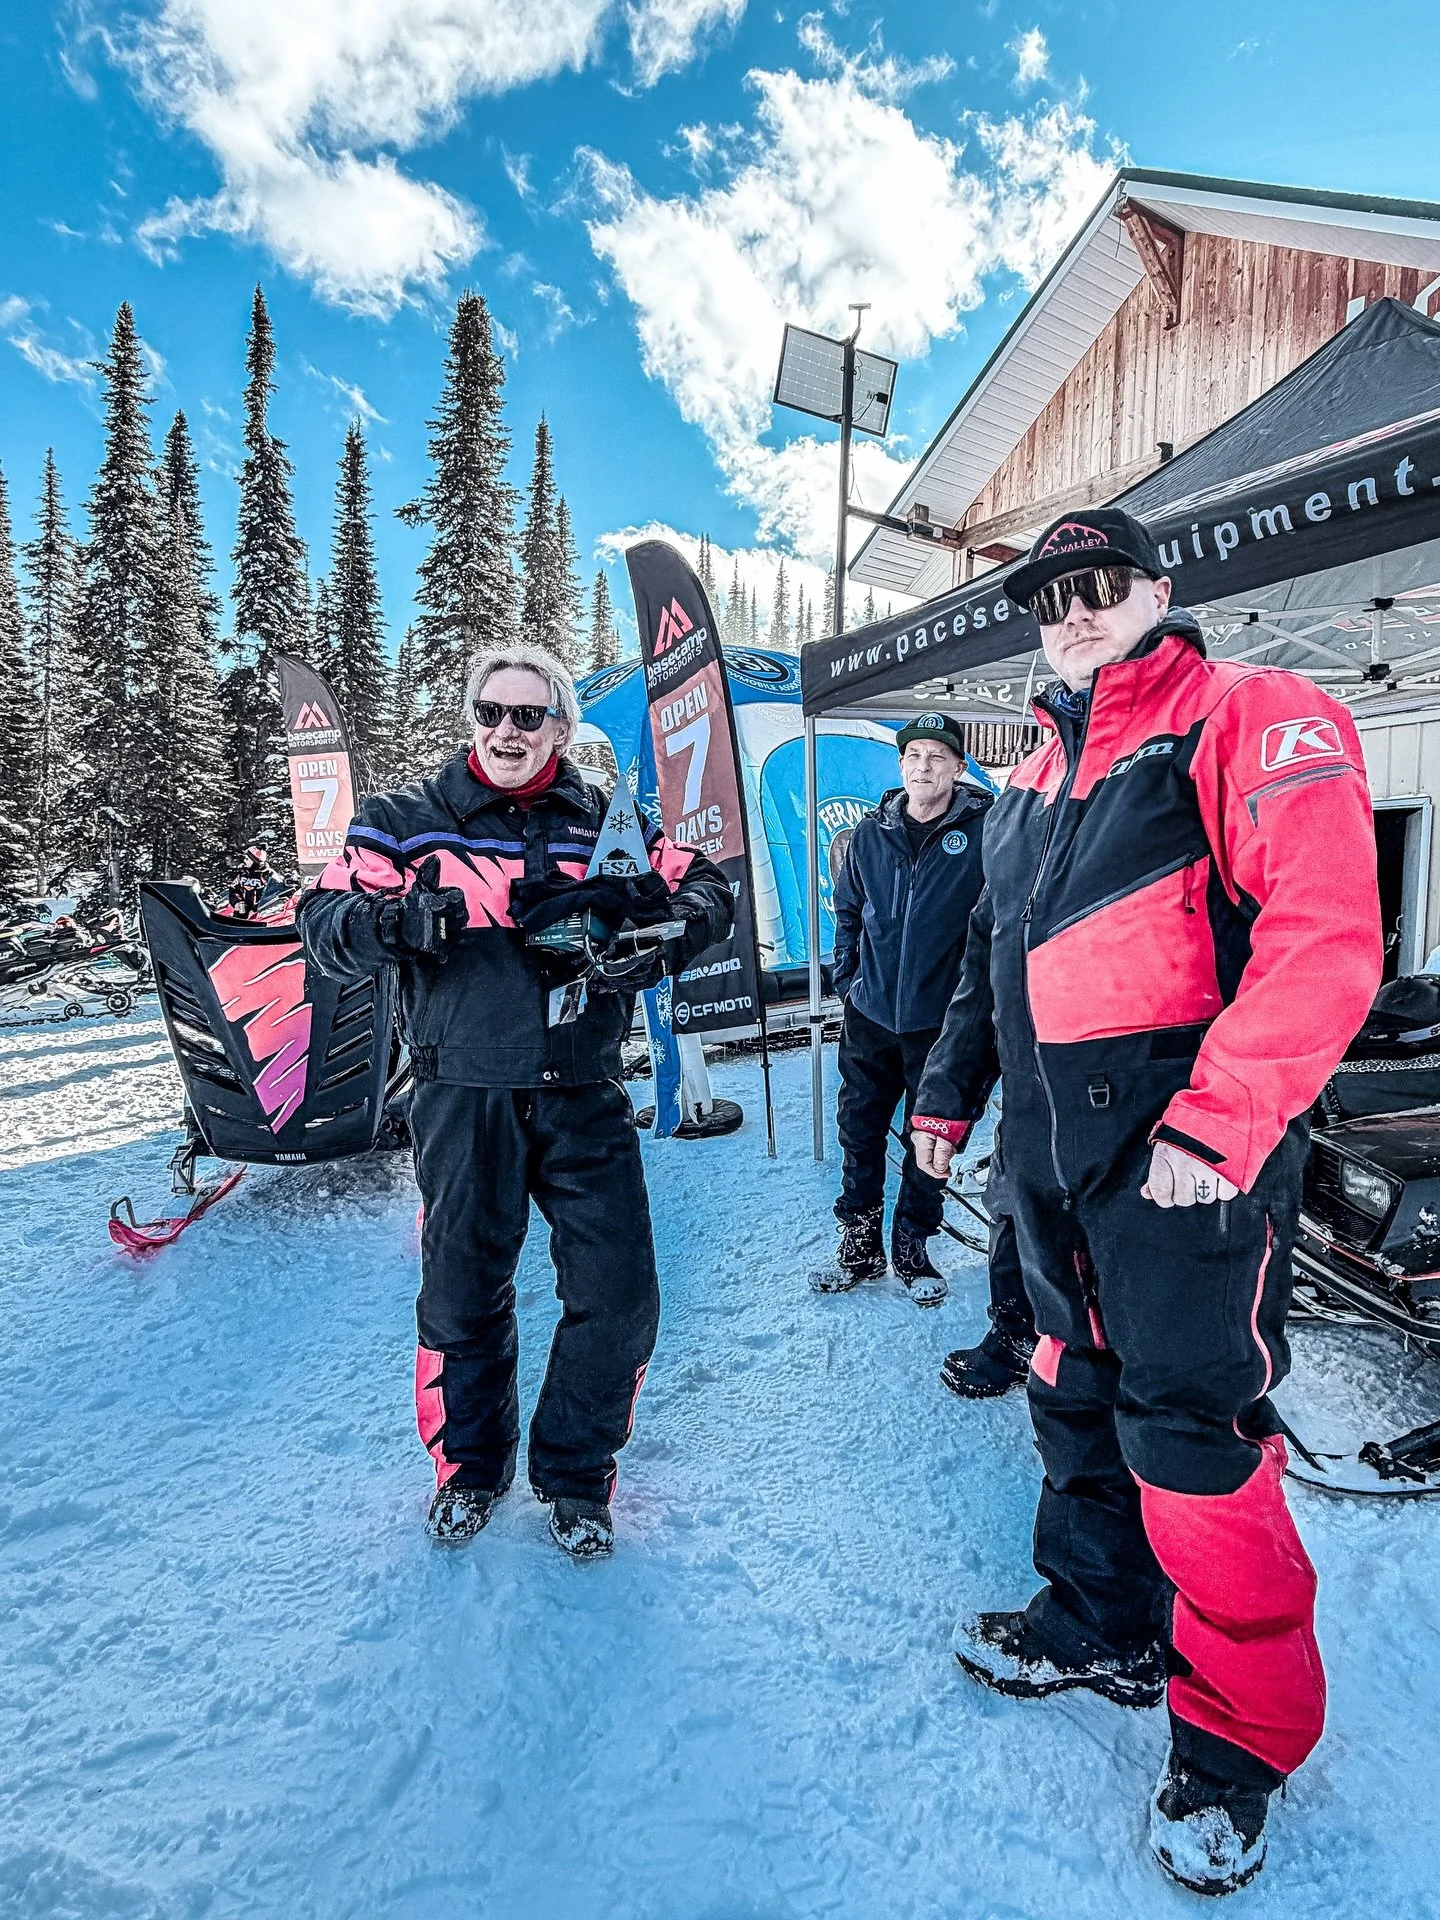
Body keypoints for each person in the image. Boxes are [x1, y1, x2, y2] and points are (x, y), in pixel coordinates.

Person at [909, 507, 1382, 1895]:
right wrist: (945, 1101)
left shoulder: (1247, 711)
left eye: (1099, 583)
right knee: (1067, 1388)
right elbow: (988, 969)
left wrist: (1222, 1122)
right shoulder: (1039, 771)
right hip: (1054, 1172)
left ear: (1157, 590)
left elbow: (1325, 934)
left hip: (1186, 1173)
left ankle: (1238, 1745)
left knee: (1194, 1442)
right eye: (1051, 593)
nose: (1073, 609)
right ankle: (1102, 1620)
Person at [299, 642, 733, 1559]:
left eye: (527, 715)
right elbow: (324, 922)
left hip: (584, 1092)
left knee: (621, 1298)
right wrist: (394, 922)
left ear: (561, 728)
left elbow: (706, 886)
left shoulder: (608, 823)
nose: (506, 730)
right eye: (489, 712)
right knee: (461, 1295)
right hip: (463, 1095)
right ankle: (470, 1469)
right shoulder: (407, 820)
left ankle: (577, 1477)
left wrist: (661, 940)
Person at [811, 715, 992, 1304]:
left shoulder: (986, 833)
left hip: (941, 1025)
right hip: (870, 1017)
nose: (924, 767)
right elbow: (847, 911)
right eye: (914, 755)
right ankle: (859, 1247)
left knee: (929, 1138)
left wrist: (974, 1001)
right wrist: (848, 979)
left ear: (958, 769)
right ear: (900, 766)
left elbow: (996, 923)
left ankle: (913, 1245)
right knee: (859, 1132)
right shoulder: (870, 834)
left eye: (938, 757)